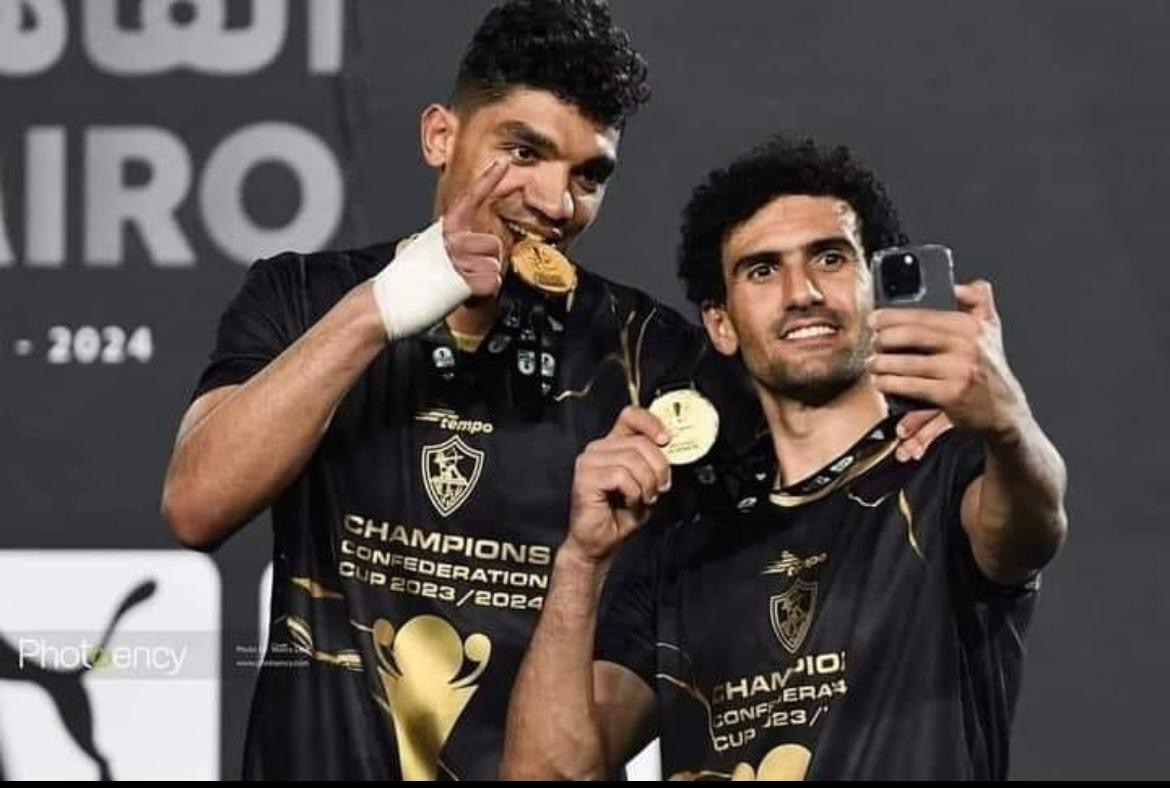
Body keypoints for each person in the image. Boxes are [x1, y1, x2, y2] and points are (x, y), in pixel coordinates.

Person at [502, 136, 1068, 781]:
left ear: (875, 289)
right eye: (762, 270)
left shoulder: (945, 468)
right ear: (721, 324)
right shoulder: (681, 550)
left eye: (829, 258)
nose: (802, 292)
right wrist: (581, 560)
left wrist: (1009, 425)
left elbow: (1032, 527)